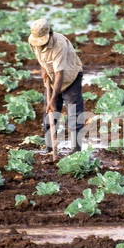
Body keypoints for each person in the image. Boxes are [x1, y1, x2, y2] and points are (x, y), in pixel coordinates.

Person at [28, 18, 84, 153]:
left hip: (70, 78)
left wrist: (53, 99)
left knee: (73, 114)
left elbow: (60, 74)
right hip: (52, 79)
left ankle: (76, 149)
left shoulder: (59, 44)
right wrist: (43, 70)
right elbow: (41, 59)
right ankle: (49, 147)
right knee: (49, 114)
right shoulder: (33, 41)